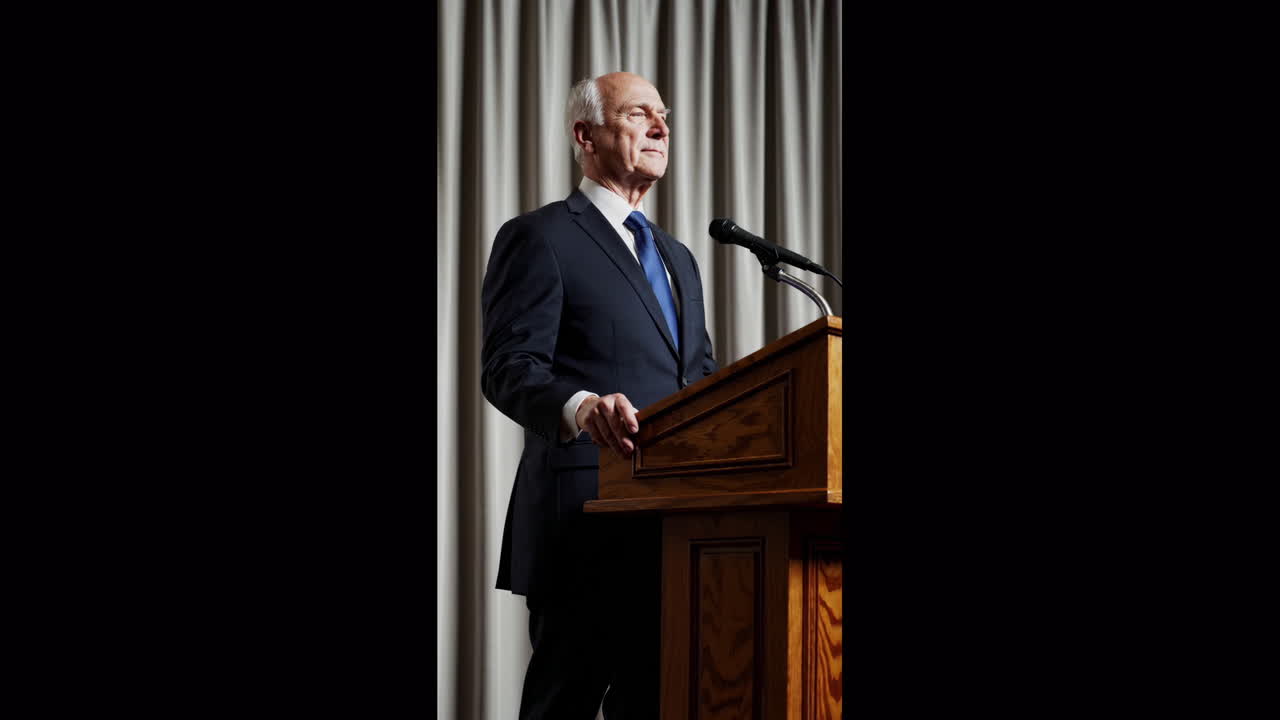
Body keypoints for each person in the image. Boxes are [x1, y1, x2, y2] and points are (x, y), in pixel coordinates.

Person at [480, 71, 719, 719]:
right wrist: (580, 406)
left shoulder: (678, 258)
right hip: (582, 524)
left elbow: (700, 379)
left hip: (673, 529)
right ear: (586, 135)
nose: (662, 127)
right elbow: (507, 367)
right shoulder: (541, 237)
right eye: (640, 114)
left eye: (664, 116)